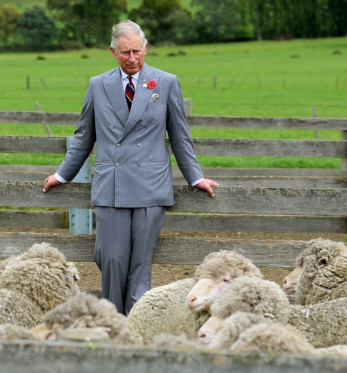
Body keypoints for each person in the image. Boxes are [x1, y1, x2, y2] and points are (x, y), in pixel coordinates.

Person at [43, 20, 218, 315]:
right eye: (126, 52)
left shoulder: (166, 82)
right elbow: (84, 136)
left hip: (151, 185)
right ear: (113, 52)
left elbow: (179, 136)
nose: (132, 58)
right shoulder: (98, 85)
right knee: (110, 258)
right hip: (111, 185)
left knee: (140, 264)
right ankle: (113, 318)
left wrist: (195, 177)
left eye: (137, 51)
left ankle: (135, 322)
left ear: (145, 48)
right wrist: (62, 174)